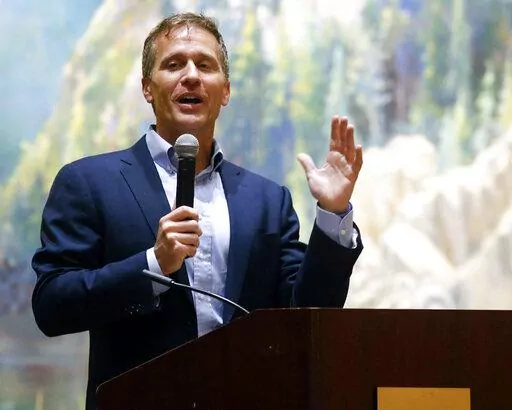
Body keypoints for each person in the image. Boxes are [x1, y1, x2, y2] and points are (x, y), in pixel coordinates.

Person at [31, 12, 363, 410]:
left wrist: (333, 214)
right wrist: (154, 264)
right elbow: (52, 306)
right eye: (174, 64)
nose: (191, 76)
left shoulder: (266, 200)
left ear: (225, 91)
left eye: (205, 65)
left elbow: (305, 314)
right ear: (147, 88)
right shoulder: (89, 182)